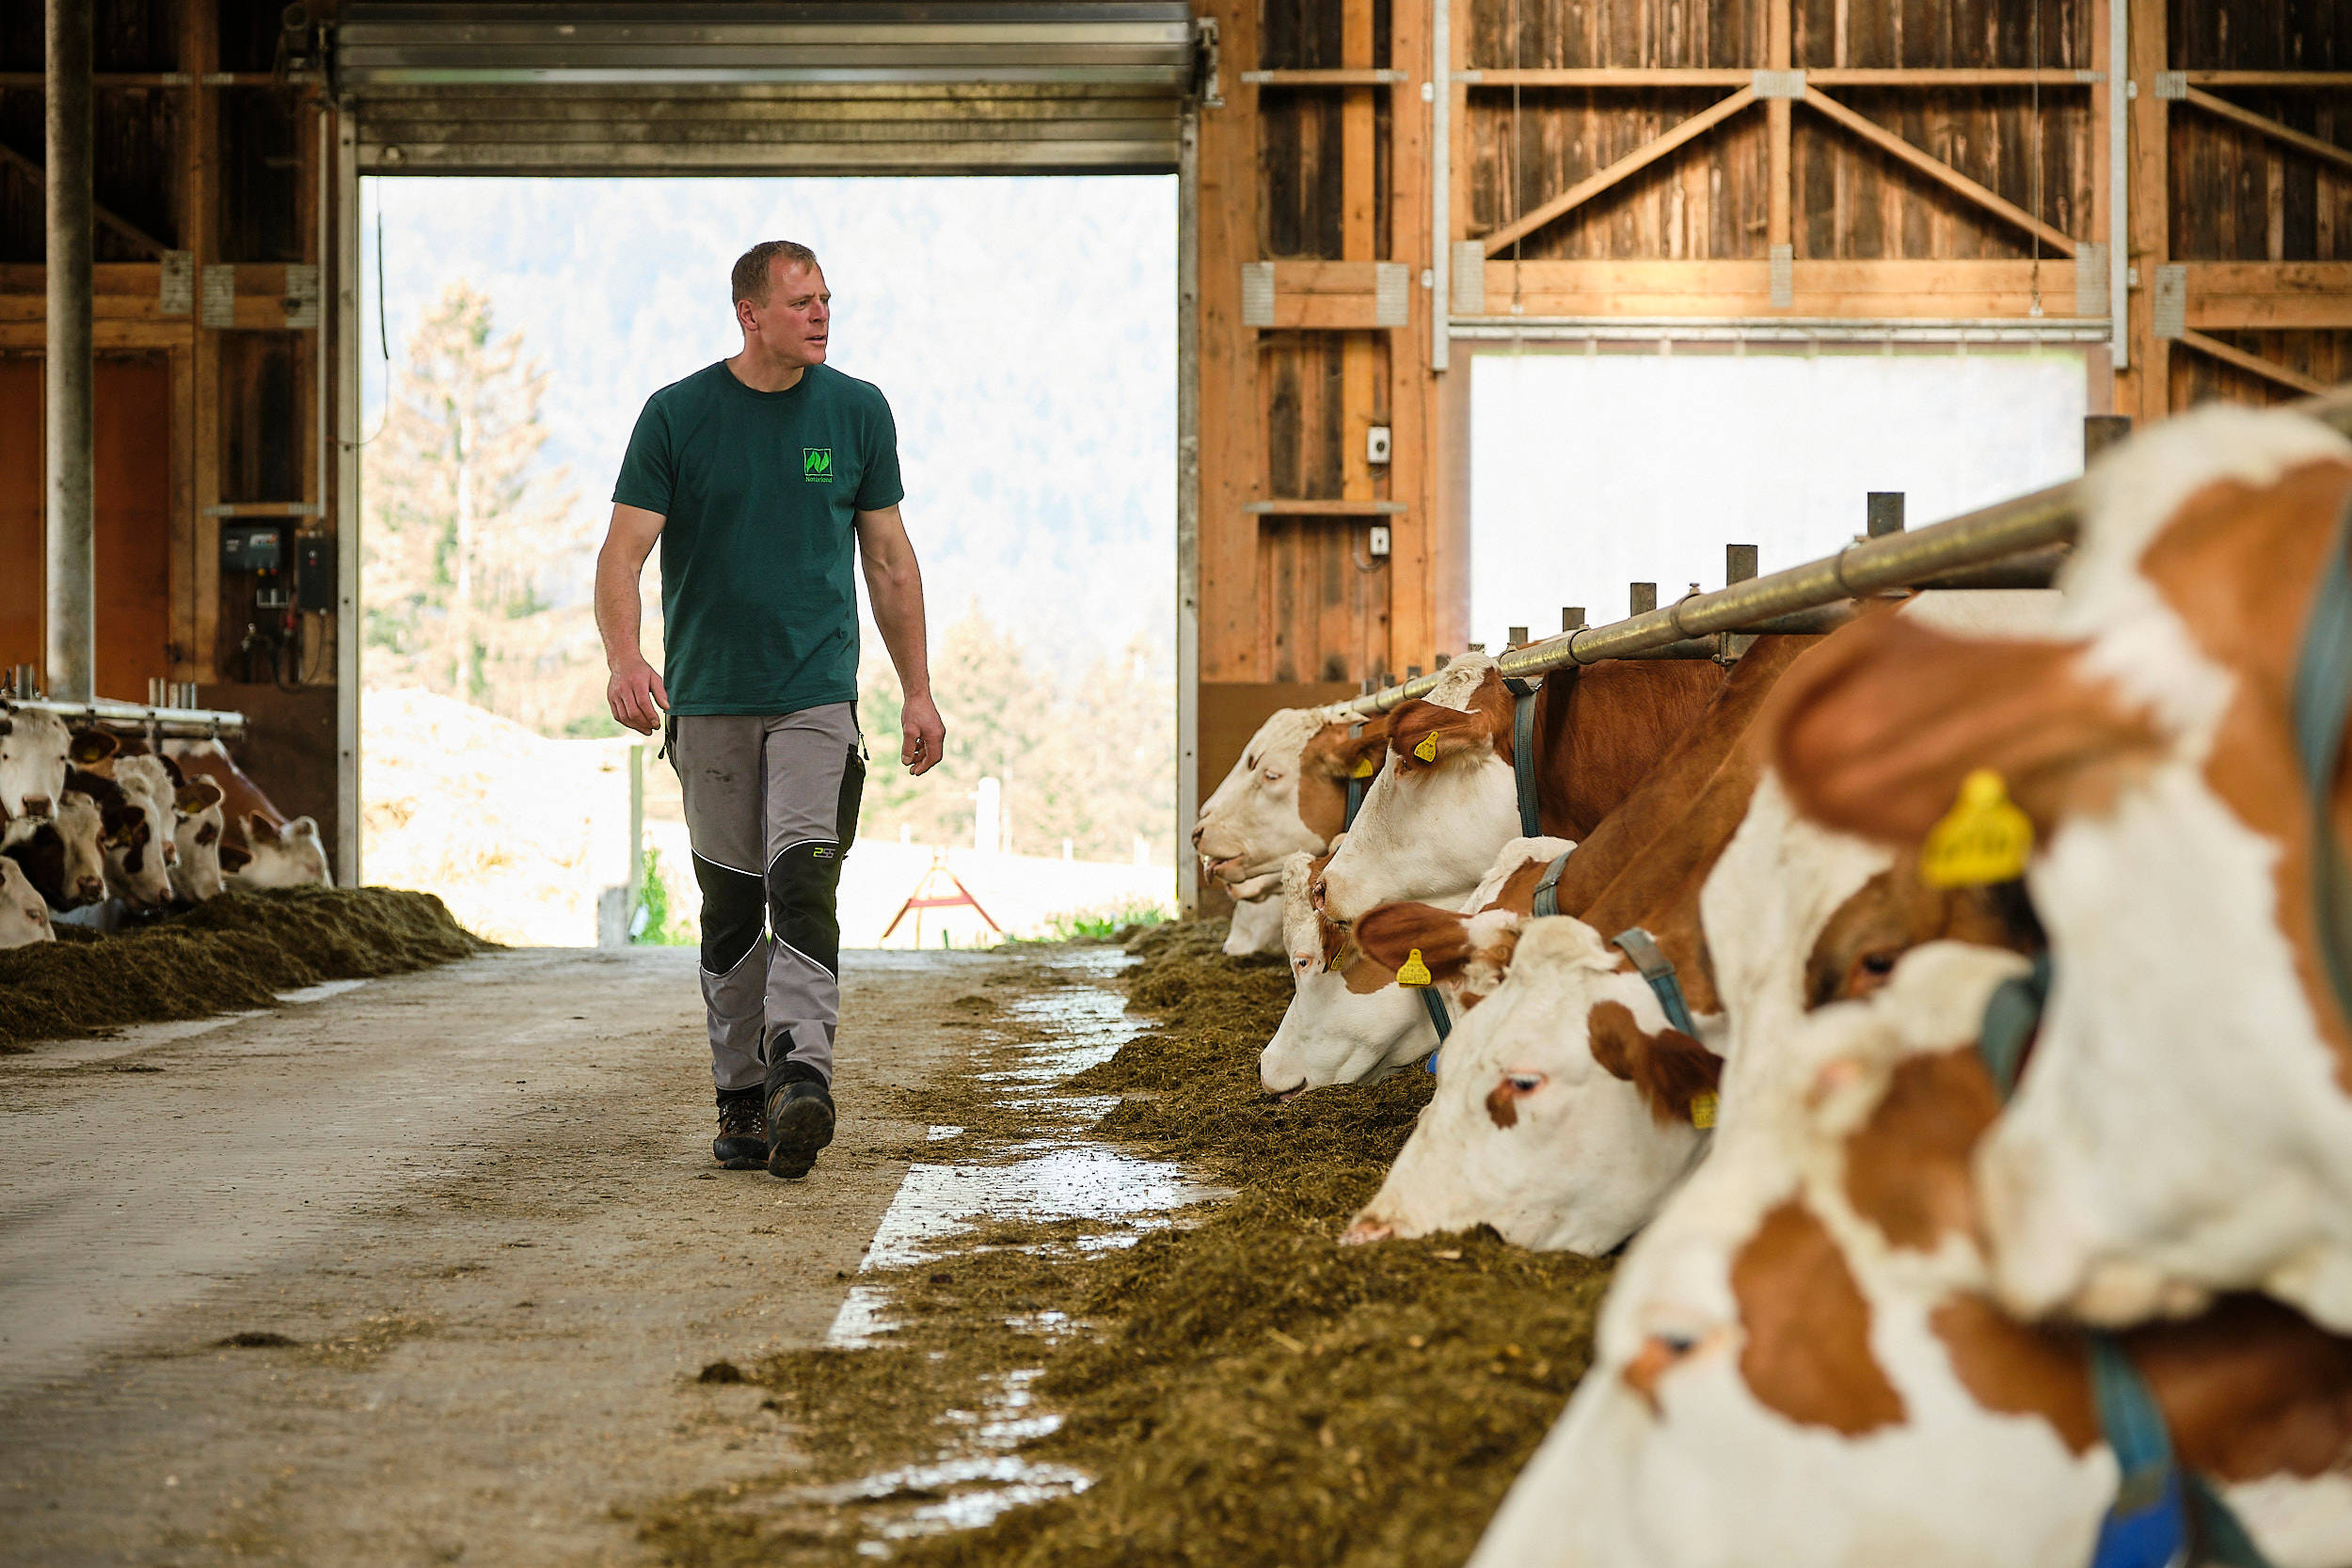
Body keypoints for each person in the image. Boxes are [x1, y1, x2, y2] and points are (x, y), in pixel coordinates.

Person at [595, 239, 946, 1180]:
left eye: (826, 298)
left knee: (803, 879)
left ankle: (802, 1070)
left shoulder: (858, 410)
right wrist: (627, 659)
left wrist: (916, 687)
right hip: (707, 703)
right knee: (731, 907)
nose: (821, 315)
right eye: (800, 302)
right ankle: (741, 1094)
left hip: (815, 700)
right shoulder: (678, 415)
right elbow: (621, 556)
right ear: (750, 314)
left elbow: (889, 562)